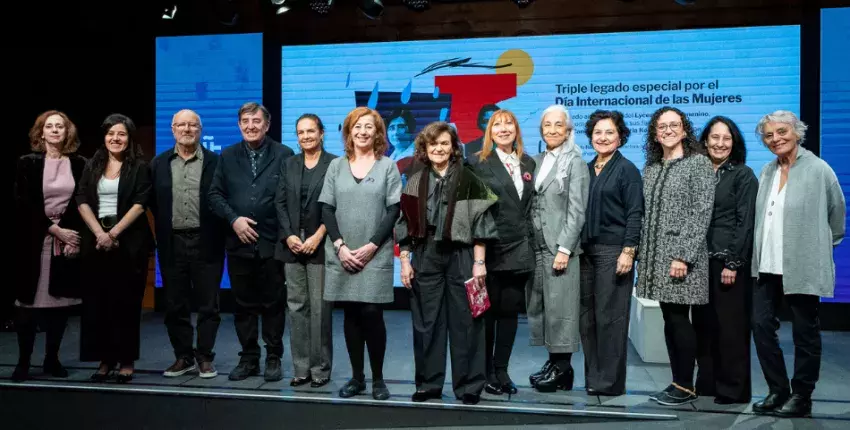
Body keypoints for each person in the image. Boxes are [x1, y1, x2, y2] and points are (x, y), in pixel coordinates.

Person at [750, 110, 845, 418]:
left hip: (802, 263)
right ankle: (778, 389)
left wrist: (816, 247)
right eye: (768, 135)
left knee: (805, 332)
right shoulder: (767, 171)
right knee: (761, 324)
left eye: (781, 132)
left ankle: (802, 395)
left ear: (796, 132)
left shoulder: (819, 169)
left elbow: (836, 214)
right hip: (766, 265)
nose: (775, 139)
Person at [396, 121, 498, 405]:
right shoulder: (415, 179)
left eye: (444, 143)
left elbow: (482, 223)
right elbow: (404, 224)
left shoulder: (469, 178)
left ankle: (468, 386)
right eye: (433, 144)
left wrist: (479, 262)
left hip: (463, 254)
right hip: (426, 253)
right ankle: (429, 384)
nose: (439, 149)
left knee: (467, 322)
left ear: (454, 147)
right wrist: (405, 261)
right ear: (425, 149)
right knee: (427, 323)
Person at [319, 106, 401, 400]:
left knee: (371, 313)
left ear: (377, 132)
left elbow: (394, 210)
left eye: (369, 127)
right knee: (351, 315)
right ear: (349, 132)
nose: (363, 132)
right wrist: (339, 246)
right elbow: (326, 208)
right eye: (357, 127)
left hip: (374, 252)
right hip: (342, 252)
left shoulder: (387, 166)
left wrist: (372, 245)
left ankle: (378, 379)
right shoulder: (336, 166)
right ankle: (357, 379)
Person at [209, 102, 295, 382]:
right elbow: (215, 195)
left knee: (273, 303)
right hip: (238, 243)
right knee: (243, 305)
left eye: (256, 121)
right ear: (239, 125)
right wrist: (234, 220)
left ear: (267, 125)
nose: (250, 126)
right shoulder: (228, 155)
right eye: (245, 121)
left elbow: (290, 200)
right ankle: (248, 358)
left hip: (273, 243)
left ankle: (273, 356)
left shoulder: (284, 154)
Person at [635, 106, 715, 406]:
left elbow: (700, 212)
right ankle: (677, 381)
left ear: (684, 130)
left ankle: (685, 384)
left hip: (682, 261)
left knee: (680, 319)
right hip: (656, 259)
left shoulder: (698, 164)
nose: (668, 130)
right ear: (655, 133)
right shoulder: (651, 168)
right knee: (670, 319)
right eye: (662, 126)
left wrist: (683, 256)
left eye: (674, 125)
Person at [77, 113, 154, 383]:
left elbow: (141, 202)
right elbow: (82, 198)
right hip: (97, 243)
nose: (115, 138)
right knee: (99, 305)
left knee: (126, 305)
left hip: (129, 243)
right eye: (111, 134)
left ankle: (126, 360)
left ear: (129, 138)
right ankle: (104, 360)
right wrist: (100, 233)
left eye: (121, 134)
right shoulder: (93, 164)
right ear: (104, 137)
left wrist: (114, 233)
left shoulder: (140, 167)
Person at [150, 109, 226, 379]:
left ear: (200, 130)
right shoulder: (158, 164)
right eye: (181, 125)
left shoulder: (217, 163)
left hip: (208, 242)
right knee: (175, 305)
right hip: (172, 244)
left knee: (208, 305)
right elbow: (149, 203)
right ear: (172, 130)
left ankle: (205, 357)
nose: (186, 129)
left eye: (192, 125)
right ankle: (183, 357)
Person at [12, 110, 86, 382]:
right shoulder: (26, 163)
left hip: (67, 239)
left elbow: (82, 202)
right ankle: (22, 362)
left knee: (60, 304)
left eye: (60, 127)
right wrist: (54, 229)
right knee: (27, 307)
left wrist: (72, 237)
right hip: (34, 239)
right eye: (49, 126)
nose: (55, 131)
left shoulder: (79, 163)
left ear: (68, 132)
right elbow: (24, 202)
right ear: (40, 132)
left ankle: (51, 360)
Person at [467, 108, 536, 395]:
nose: (504, 129)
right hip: (491, 249)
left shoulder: (528, 162)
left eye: (509, 124)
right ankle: (483, 373)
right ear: (490, 132)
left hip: (520, 251)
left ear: (517, 130)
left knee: (509, 315)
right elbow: (475, 213)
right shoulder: (478, 163)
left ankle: (501, 371)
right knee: (487, 316)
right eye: (498, 125)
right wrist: (478, 259)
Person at [692, 116, 758, 404]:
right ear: (705, 141)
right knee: (704, 327)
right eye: (715, 137)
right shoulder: (698, 172)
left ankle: (733, 388)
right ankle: (706, 383)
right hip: (699, 262)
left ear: (734, 143)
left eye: (726, 138)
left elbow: (745, 223)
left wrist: (733, 262)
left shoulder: (743, 175)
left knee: (730, 328)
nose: (720, 143)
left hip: (727, 263)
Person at [578, 110, 643, 396]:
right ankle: (593, 378)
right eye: (597, 133)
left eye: (609, 132)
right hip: (586, 252)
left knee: (610, 319)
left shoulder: (627, 169)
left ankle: (610, 383)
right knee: (587, 319)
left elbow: (635, 213)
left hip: (613, 252)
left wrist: (628, 252)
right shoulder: (586, 167)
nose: (602, 138)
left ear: (620, 137)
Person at [526, 105, 588, 393]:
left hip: (560, 249)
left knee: (562, 310)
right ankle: (556, 365)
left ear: (568, 130)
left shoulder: (575, 162)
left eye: (558, 125)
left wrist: (565, 248)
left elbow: (577, 211)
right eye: (547, 125)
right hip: (536, 248)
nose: (552, 130)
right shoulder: (535, 161)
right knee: (545, 309)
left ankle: (562, 367)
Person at [275, 113, 337, 388]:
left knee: (320, 309)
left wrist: (319, 235)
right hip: (292, 244)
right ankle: (301, 369)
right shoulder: (288, 164)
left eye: (311, 131)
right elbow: (279, 203)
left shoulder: (334, 164)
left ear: (321, 133)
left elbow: (335, 205)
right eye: (301, 132)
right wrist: (288, 235)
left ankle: (320, 369)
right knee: (296, 307)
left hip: (320, 243)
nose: (306, 136)